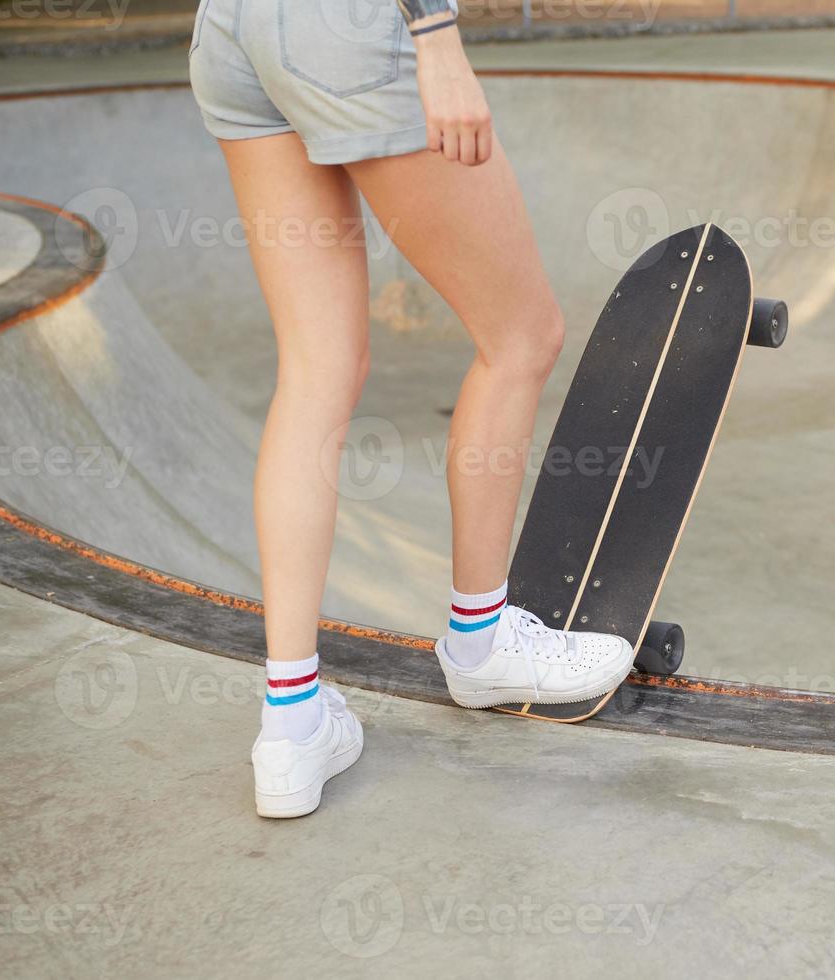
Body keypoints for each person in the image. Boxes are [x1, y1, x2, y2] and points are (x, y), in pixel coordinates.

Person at [189, 0, 636, 818]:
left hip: (235, 29)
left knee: (315, 367)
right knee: (522, 335)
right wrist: (436, 37)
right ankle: (482, 640)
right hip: (349, 30)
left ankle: (289, 726)